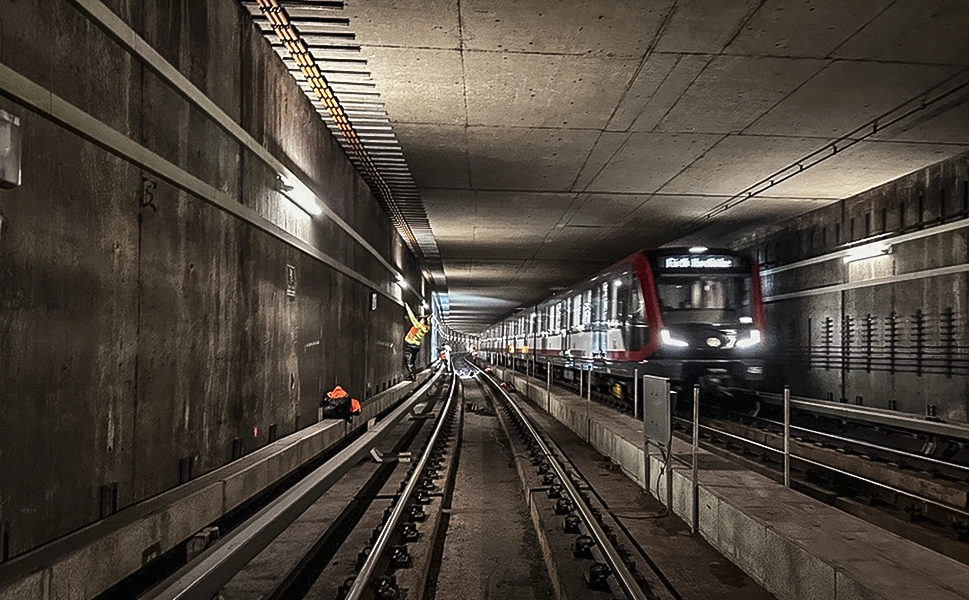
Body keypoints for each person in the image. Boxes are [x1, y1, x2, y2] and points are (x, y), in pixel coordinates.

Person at [403, 303, 431, 380]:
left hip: (410, 345)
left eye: (421, 319)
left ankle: (412, 376)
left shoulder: (418, 326)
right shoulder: (425, 328)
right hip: (416, 347)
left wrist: (407, 306)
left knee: (408, 361)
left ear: (423, 322)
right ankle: (412, 375)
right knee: (412, 361)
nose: (420, 320)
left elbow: (411, 317)